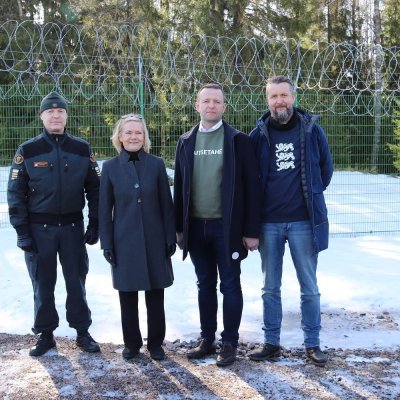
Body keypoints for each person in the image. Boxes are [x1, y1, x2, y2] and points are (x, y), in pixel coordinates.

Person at [7, 92, 101, 356]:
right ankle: (45, 334)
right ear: (42, 116)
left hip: (72, 229)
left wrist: (95, 224)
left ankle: (82, 332)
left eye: (60, 112)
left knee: (77, 283)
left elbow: (95, 190)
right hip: (39, 232)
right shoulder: (28, 150)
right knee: (42, 284)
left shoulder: (82, 149)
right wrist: (22, 231)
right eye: (50, 112)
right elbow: (15, 193)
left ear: (66, 116)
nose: (56, 116)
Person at [248, 76, 333, 366]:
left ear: (293, 97)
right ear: (267, 100)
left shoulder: (312, 130)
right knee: (270, 287)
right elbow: (251, 180)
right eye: (273, 96)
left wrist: (311, 196)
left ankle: (312, 344)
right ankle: (271, 342)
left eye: (284, 95)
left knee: (309, 287)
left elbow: (326, 170)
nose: (279, 101)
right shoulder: (258, 135)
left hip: (303, 223)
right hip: (268, 223)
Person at [174, 83, 260, 367]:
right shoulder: (186, 141)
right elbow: (180, 186)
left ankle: (230, 342)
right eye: (206, 101)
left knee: (230, 284)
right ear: (197, 106)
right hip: (196, 227)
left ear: (224, 107)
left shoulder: (238, 141)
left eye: (217, 101)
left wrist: (251, 231)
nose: (211, 105)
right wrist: (179, 227)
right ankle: (207, 338)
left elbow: (252, 187)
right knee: (205, 284)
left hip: (228, 228)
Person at [99, 114, 175, 361]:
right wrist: (107, 243)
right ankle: (132, 344)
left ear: (145, 137)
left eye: (138, 132)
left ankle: (156, 344)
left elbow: (166, 204)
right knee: (127, 295)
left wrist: (170, 236)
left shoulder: (156, 164)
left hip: (155, 239)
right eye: (129, 132)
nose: (134, 137)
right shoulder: (110, 168)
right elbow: (104, 209)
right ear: (119, 137)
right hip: (124, 241)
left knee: (156, 295)